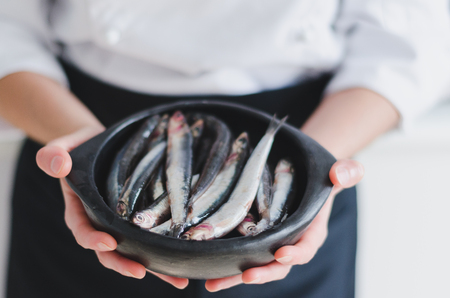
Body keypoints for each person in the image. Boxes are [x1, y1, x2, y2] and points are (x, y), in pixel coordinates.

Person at [0, 1, 449, 297]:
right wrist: (83, 145)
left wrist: (314, 167)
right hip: (81, 128)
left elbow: (409, 44)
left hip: (312, 133)